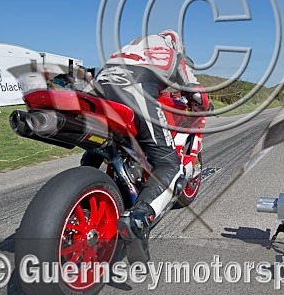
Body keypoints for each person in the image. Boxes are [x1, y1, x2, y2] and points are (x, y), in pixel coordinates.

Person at [85, 30, 209, 259]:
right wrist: (203, 106)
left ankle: (86, 182)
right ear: (177, 44)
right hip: (134, 92)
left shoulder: (125, 50)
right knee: (170, 165)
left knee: (100, 145)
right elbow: (197, 95)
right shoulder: (171, 54)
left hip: (96, 92)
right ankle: (140, 217)